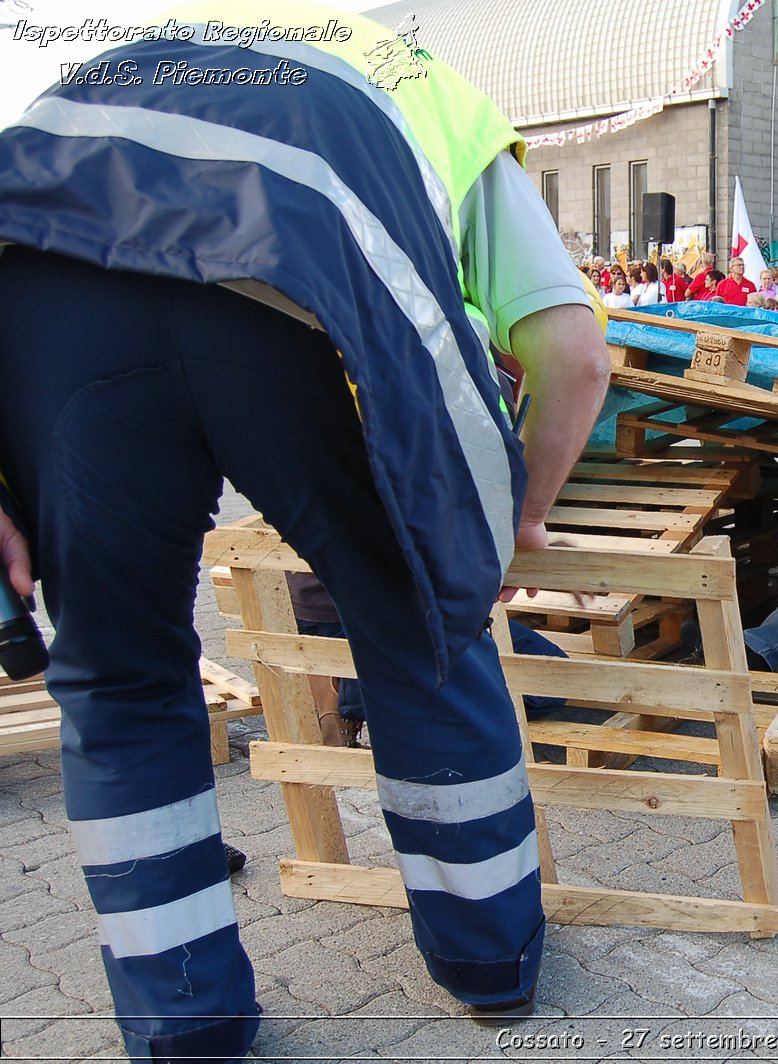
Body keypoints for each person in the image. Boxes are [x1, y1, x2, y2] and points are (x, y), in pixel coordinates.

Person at [0, 3, 614, 1058]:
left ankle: (182, 1017)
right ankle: (490, 962)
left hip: (50, 302)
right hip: (295, 279)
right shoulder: (435, 94)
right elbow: (574, 354)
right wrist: (505, 524)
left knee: (119, 678)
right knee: (424, 623)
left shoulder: (118, 66)